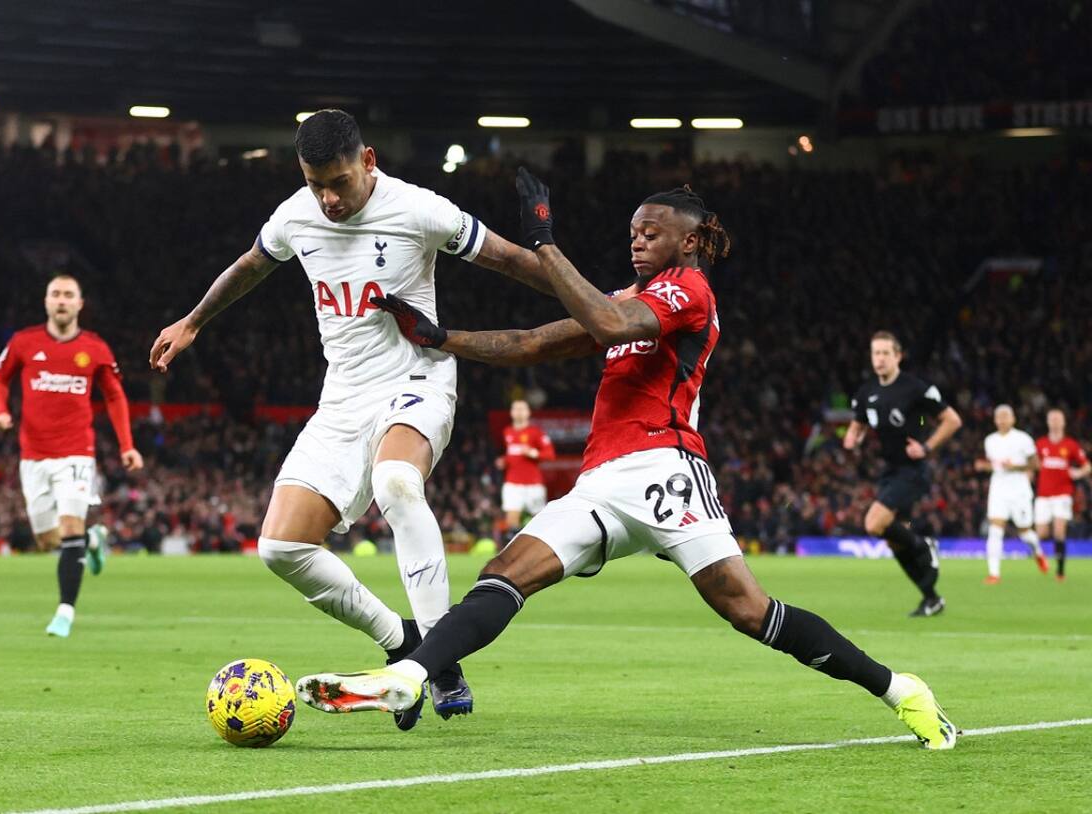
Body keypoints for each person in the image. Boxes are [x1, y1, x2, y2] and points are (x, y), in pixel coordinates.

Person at [294, 168, 958, 751]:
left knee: (749, 611)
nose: (637, 239)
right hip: (604, 483)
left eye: (652, 231)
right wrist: (445, 338)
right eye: (633, 231)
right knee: (506, 573)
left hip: (667, 469)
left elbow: (611, 328)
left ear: (689, 240)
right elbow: (533, 342)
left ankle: (902, 690)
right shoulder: (628, 298)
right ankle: (409, 677)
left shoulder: (689, 290)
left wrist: (545, 245)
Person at [148, 110, 557, 729]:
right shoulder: (295, 215)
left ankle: (439, 661)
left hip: (417, 378)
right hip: (342, 398)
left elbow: (509, 261)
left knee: (396, 482)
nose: (329, 198)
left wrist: (604, 308)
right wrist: (193, 321)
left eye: (339, 181)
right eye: (317, 185)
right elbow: (250, 266)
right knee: (280, 547)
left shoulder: (421, 210)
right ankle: (401, 642)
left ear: (369, 160)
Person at [0, 273, 144, 637]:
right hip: (33, 456)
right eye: (55, 294)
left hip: (76, 453)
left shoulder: (95, 348)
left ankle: (65, 612)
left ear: (79, 304)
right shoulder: (24, 343)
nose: (61, 300)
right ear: (46, 302)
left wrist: (127, 445)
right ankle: (93, 540)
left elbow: (115, 396)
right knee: (47, 540)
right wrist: (0, 411)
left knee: (70, 526)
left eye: (68, 295)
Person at [843, 332, 962, 617]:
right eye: (876, 353)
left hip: (912, 470)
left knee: (873, 523)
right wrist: (851, 439)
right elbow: (856, 425)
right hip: (889, 470)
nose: (880, 359)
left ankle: (926, 545)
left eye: (886, 353)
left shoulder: (914, 388)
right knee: (894, 540)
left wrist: (927, 447)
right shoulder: (866, 393)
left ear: (898, 356)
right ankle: (931, 598)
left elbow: (952, 420)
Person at [975, 405, 1045, 583]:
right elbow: (996, 465)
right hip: (998, 489)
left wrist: (1016, 467)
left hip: (1019, 490)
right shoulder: (990, 440)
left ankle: (1037, 551)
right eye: (999, 416)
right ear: (995, 420)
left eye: (1006, 416)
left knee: (1025, 532)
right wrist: (985, 466)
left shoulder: (1023, 439)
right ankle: (994, 574)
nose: (1002, 420)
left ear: (1013, 419)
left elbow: (1036, 465)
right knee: (995, 530)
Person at [1034, 408, 1090, 581]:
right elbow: (1033, 465)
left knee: (1059, 532)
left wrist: (1078, 473)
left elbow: (1087, 465)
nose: (1055, 422)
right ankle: (1042, 559)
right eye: (1052, 419)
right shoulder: (1040, 444)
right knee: (1041, 533)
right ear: (1048, 422)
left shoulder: (1070, 445)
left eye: (1058, 419)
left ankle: (1060, 572)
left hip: (1062, 494)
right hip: (1043, 494)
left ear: (1064, 422)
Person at [497, 399, 555, 539]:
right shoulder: (507, 432)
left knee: (539, 522)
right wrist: (504, 461)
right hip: (512, 483)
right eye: (515, 408)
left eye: (522, 408)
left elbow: (550, 454)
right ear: (511, 412)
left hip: (533, 484)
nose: (518, 411)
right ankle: (513, 553)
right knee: (511, 520)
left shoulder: (536, 432)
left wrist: (533, 453)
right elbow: (512, 455)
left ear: (528, 412)